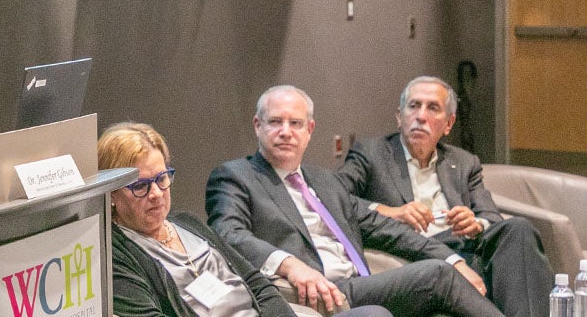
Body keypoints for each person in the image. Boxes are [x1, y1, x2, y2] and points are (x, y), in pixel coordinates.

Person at [206, 85, 506, 317]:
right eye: (275, 122)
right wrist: (289, 264)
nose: (286, 132)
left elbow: (388, 230)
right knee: (437, 275)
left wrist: (454, 259)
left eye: (295, 123)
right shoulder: (235, 176)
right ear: (257, 125)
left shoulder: (324, 181)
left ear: (309, 130)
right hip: (309, 295)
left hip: (357, 285)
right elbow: (226, 233)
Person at [99, 122, 391, 317]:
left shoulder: (187, 223)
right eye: (140, 186)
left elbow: (256, 282)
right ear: (111, 193)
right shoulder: (116, 253)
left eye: (162, 178)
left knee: (375, 314)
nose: (156, 194)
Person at [337, 76, 553, 317]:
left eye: (432, 108)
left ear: (449, 123)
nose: (421, 116)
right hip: (415, 255)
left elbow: (491, 216)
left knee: (518, 229)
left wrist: (475, 224)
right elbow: (334, 198)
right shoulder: (371, 154)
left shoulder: (463, 162)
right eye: (413, 106)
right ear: (399, 116)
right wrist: (393, 212)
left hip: (464, 248)